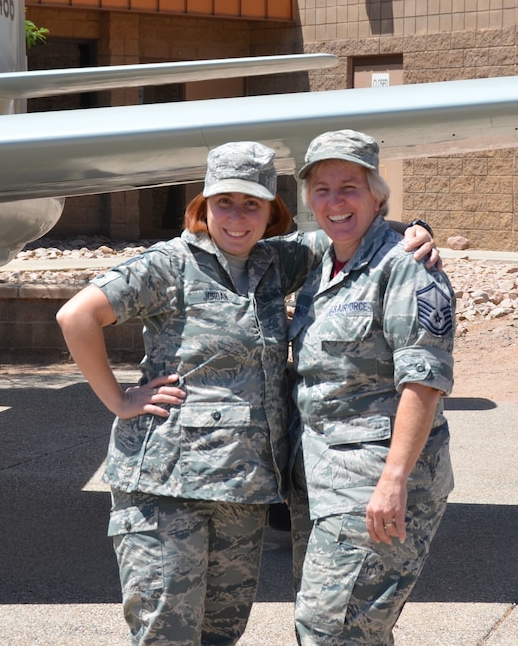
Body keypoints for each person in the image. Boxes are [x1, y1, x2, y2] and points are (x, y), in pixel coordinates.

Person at [56, 140, 437, 646]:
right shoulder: (167, 264)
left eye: (252, 203)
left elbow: (351, 226)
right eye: (224, 202)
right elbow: (76, 316)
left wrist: (418, 231)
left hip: (243, 491)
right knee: (165, 632)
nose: (237, 217)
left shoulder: (275, 263)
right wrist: (119, 400)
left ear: (271, 211)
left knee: (221, 632)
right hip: (166, 487)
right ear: (204, 205)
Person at [288, 130, 455, 646]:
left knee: (330, 631)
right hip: (319, 479)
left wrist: (394, 479)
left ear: (377, 196)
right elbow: (239, 239)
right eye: (321, 189)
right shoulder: (318, 260)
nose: (335, 202)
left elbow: (423, 381)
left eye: (349, 187)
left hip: (375, 481)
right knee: (351, 630)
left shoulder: (407, 266)